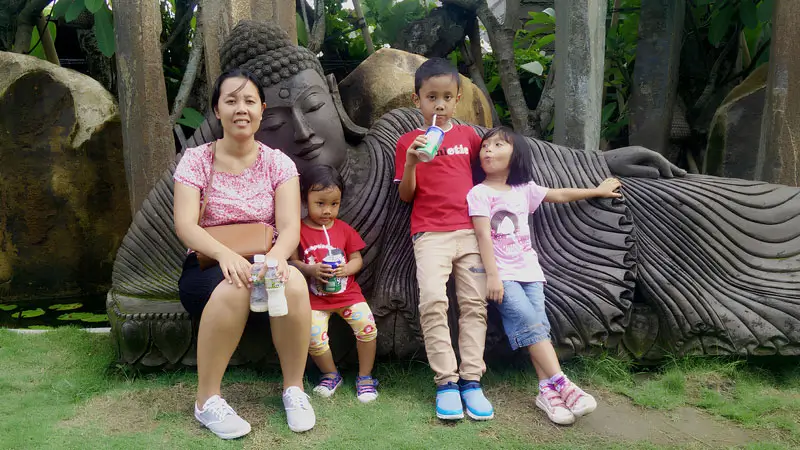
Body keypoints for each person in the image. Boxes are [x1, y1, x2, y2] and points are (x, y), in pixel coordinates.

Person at [173, 69, 315, 439]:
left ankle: (294, 389)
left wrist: (277, 259)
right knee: (235, 284)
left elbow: (289, 229)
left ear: (262, 110)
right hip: (207, 263)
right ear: (217, 110)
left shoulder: (279, 163)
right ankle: (206, 401)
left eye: (249, 101)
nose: (241, 109)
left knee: (294, 282)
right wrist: (225, 256)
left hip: (264, 262)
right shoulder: (196, 160)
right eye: (231, 100)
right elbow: (186, 226)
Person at [467, 127, 621, 425]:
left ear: (516, 155)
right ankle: (563, 383)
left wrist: (598, 191)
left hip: (530, 272)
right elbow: (483, 236)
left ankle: (546, 392)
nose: (488, 150)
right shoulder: (479, 193)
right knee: (527, 320)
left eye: (498, 144)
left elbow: (560, 194)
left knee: (537, 326)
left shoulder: (524, 189)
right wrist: (493, 276)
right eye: (485, 145)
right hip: (503, 275)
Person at [394, 58, 493, 421]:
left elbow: (487, 182)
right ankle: (447, 383)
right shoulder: (407, 142)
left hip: (469, 233)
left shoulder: (469, 137)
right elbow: (406, 196)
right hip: (429, 234)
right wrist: (412, 163)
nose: (439, 104)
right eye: (431, 96)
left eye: (446, 97)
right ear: (416, 99)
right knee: (433, 302)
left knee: (474, 305)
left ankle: (471, 380)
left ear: (457, 98)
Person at [290, 165, 379, 403]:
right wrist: (310, 269)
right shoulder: (297, 230)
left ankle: (365, 376)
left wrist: (347, 269)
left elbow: (357, 259)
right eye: (320, 203)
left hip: (348, 295)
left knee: (367, 327)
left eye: (334, 204)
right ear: (304, 199)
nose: (327, 211)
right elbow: (292, 261)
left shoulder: (345, 230)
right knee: (314, 337)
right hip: (315, 300)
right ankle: (331, 374)